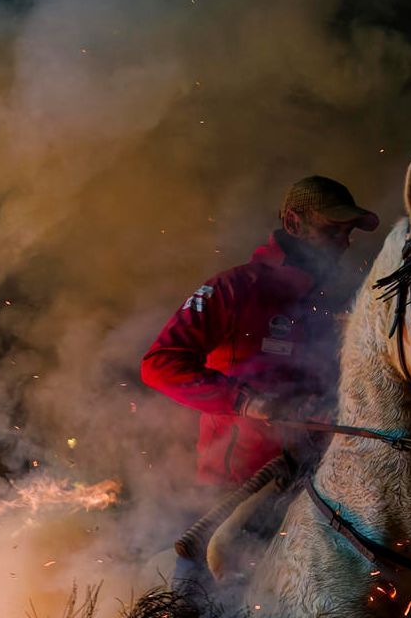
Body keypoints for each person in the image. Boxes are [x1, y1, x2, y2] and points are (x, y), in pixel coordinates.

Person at [141, 175, 380, 486]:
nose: (343, 243)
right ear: (294, 223)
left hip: (315, 485)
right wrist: (246, 401)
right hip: (234, 490)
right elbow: (159, 363)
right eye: (332, 230)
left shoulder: (335, 301)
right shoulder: (234, 288)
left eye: (347, 234)